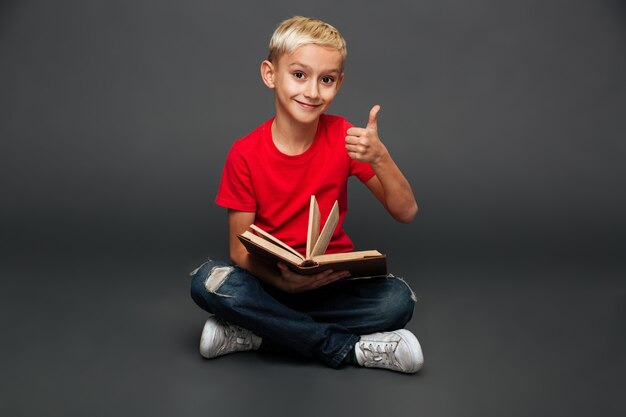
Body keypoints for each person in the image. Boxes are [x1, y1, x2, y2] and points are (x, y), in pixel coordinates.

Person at [190, 16, 423, 373]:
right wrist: (284, 281)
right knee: (208, 281)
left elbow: (406, 211)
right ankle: (348, 350)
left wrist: (381, 157)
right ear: (270, 74)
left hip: (331, 284)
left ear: (338, 83)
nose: (313, 92)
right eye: (299, 75)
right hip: (270, 282)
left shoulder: (343, 136)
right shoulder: (244, 153)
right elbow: (238, 250)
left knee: (398, 301)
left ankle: (258, 332)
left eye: (326, 79)